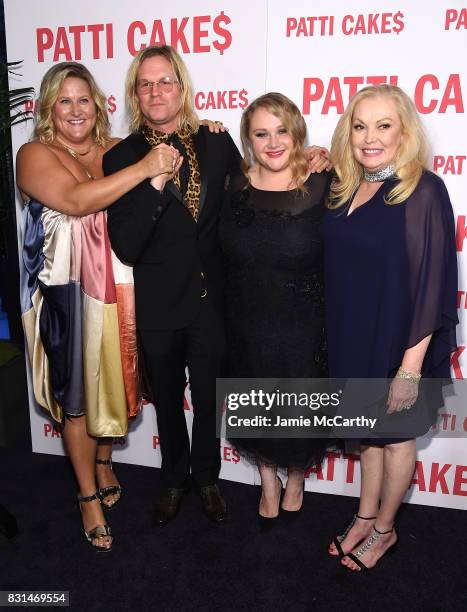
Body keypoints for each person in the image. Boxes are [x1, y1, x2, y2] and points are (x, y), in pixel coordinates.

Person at [16, 62, 179, 551]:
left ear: (99, 104)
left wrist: (205, 128)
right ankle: (86, 495)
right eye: (63, 101)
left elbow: (178, 141)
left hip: (119, 289)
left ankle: (104, 460)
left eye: (83, 99)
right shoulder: (34, 154)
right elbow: (77, 201)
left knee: (115, 380)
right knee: (78, 396)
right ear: (48, 108)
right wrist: (144, 168)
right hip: (67, 296)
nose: (74, 110)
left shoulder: (114, 150)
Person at [324, 84, 457, 570]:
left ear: (404, 131)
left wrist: (410, 367)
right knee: (368, 433)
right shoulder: (344, 185)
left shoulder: (422, 188)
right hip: (355, 333)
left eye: (383, 125)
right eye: (360, 126)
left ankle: (384, 531)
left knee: (395, 436)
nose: (369, 137)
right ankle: (364, 515)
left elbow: (432, 282)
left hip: (399, 339)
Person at [219, 92, 330, 521]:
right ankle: (268, 479)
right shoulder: (234, 183)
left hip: (304, 322)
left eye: (282, 130)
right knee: (253, 398)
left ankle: (296, 478)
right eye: (261, 133)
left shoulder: (325, 179)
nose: (273, 142)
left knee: (301, 406)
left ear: (297, 131)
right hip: (245, 318)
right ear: (248, 139)